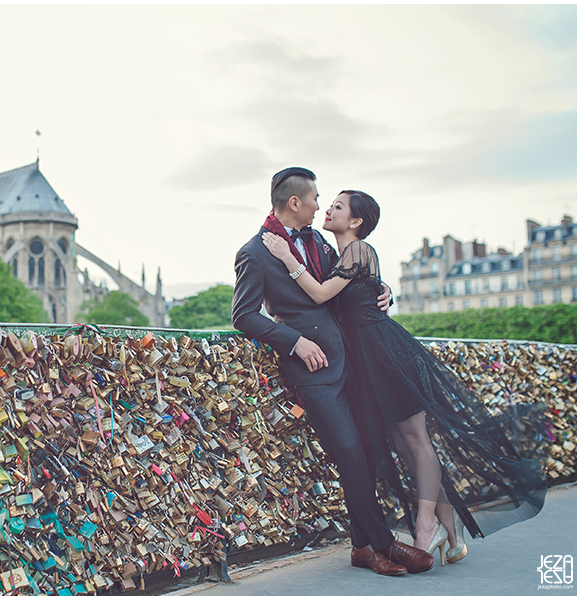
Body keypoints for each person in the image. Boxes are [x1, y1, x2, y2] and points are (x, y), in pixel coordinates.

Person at [262, 189, 548, 565]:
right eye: (327, 203)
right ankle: (451, 528)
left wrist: (285, 256)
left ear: (356, 221)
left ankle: (427, 525)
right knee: (403, 442)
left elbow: (320, 295)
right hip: (367, 357)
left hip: (385, 353)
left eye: (337, 206)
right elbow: (354, 293)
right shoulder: (335, 252)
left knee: (415, 440)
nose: (328, 209)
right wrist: (383, 289)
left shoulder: (359, 249)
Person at [232, 167, 433, 576]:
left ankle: (363, 549)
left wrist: (382, 290)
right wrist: (292, 340)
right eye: (315, 199)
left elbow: (347, 283)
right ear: (295, 203)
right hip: (313, 370)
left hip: (353, 363)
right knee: (350, 454)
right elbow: (243, 315)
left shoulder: (320, 242)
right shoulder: (253, 252)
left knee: (368, 454)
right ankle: (384, 545)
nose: (319, 205)